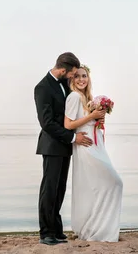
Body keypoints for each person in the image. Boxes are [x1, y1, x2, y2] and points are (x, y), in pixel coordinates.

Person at [33, 52, 95, 246]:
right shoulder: (42, 87)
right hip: (52, 145)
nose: (73, 77)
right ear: (63, 69)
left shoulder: (64, 86)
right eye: (72, 74)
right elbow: (47, 123)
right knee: (49, 190)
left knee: (60, 189)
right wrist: (72, 137)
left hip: (66, 145)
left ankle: (57, 230)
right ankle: (46, 233)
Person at [64, 64, 123, 242]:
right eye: (77, 76)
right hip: (86, 146)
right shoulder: (74, 96)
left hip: (96, 144)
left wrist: (99, 118)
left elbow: (87, 121)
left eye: (84, 76)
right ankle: (94, 228)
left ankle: (97, 227)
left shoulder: (86, 97)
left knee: (97, 187)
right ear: (72, 80)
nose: (82, 79)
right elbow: (68, 125)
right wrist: (91, 117)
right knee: (113, 182)